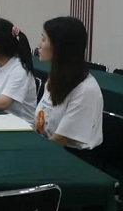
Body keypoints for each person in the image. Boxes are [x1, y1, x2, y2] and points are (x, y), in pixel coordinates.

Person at [35, 17, 103, 149]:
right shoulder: (55, 78)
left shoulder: (86, 90)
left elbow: (61, 139)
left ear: (59, 47)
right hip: (47, 148)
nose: (39, 45)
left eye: (43, 40)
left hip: (69, 156)